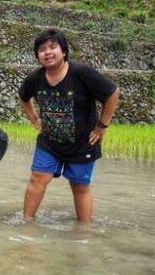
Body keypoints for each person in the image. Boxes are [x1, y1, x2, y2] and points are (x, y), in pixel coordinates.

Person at [18, 29, 120, 222]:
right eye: (42, 49)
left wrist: (102, 125)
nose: (47, 52)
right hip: (49, 142)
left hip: (82, 142)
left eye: (52, 47)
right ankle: (26, 222)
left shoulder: (81, 73)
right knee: (37, 178)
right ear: (37, 56)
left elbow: (112, 93)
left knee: (80, 186)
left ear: (63, 51)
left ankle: (84, 231)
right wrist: (34, 119)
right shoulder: (36, 78)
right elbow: (23, 97)